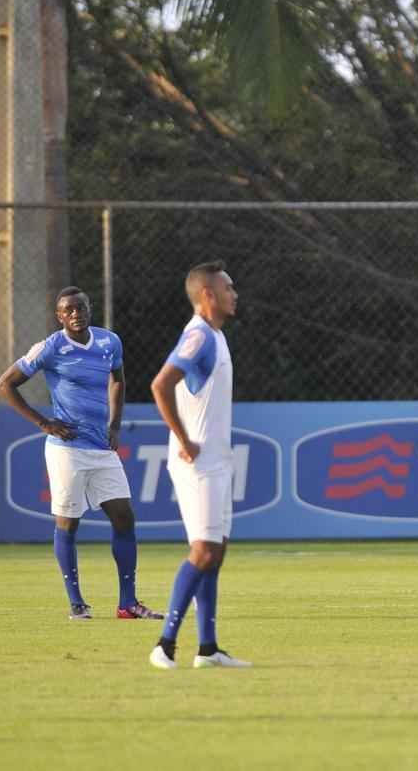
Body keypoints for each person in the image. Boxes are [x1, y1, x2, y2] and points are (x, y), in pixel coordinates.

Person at [0, 287, 162, 621]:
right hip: (67, 449)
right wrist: (44, 423)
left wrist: (115, 424)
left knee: (124, 517)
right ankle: (77, 603)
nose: (76, 314)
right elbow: (5, 385)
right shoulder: (49, 347)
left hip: (101, 448)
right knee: (69, 523)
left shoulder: (109, 341)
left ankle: (127, 604)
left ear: (89, 309)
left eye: (80, 308)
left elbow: (118, 379)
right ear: (59, 316)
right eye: (68, 310)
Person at [148, 260, 251, 670]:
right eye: (228, 288)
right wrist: (183, 437)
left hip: (217, 461)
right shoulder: (199, 336)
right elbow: (161, 384)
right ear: (208, 294)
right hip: (198, 463)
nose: (234, 294)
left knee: (215, 552)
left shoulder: (216, 335)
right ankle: (164, 645)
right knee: (203, 550)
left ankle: (207, 649)